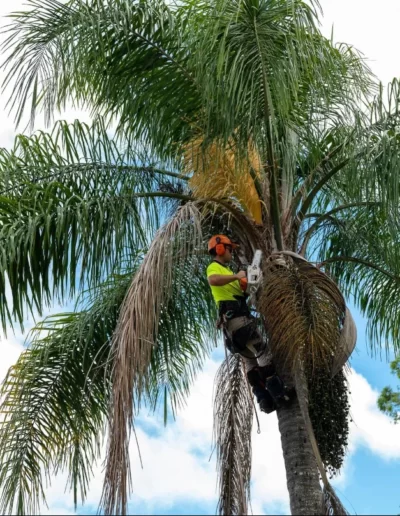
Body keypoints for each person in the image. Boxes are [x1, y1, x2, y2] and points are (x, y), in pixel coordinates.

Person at [207, 235, 290, 413]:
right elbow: (212, 280)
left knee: (251, 363)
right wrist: (237, 276)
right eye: (229, 249)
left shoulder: (228, 274)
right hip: (240, 323)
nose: (231, 252)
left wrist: (252, 281)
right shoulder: (215, 267)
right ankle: (279, 393)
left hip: (232, 331)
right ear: (220, 249)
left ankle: (264, 400)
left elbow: (246, 294)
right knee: (264, 352)